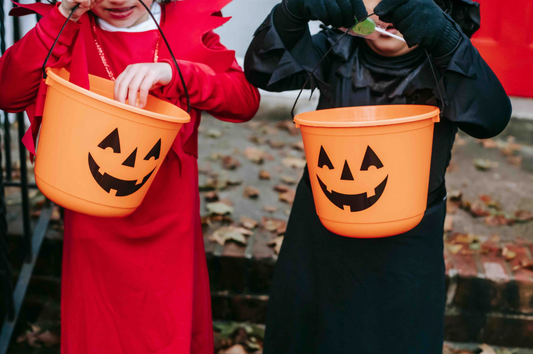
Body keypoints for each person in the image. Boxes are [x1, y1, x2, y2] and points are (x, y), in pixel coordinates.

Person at [244, 0, 510, 352]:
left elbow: (492, 116)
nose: (388, 13)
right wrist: (292, 11)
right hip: (321, 230)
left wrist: (448, 40)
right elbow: (262, 69)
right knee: (307, 333)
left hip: (407, 245)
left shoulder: (448, 62)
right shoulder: (334, 49)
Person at [0, 0, 260, 352]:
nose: (118, 0)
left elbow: (244, 100)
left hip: (168, 218)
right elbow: (9, 92)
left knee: (166, 327)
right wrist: (60, 20)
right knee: (99, 329)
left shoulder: (182, 29)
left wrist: (177, 73)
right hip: (93, 219)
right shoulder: (69, 27)